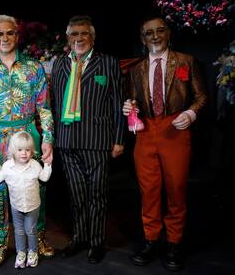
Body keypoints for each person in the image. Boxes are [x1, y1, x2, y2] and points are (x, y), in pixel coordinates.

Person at [122, 16, 207, 271]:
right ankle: (150, 241)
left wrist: (191, 114)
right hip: (146, 131)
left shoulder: (185, 61)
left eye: (160, 31)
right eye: (149, 33)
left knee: (176, 188)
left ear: (168, 34)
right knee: (148, 190)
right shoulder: (136, 69)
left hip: (175, 130)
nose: (155, 37)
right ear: (142, 38)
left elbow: (201, 96)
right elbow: (134, 100)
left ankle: (174, 243)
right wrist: (129, 106)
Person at [0, 14, 55, 267]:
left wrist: (48, 139)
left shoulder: (34, 67)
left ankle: (37, 238)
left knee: (35, 188)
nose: (5, 38)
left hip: (28, 135)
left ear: (17, 36)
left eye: (9, 33)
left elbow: (45, 109)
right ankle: (0, 244)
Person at [51, 15, 125, 264]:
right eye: (74, 34)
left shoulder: (108, 64)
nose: (79, 38)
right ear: (68, 38)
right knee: (76, 193)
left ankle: (96, 242)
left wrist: (118, 139)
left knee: (97, 194)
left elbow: (117, 104)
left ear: (93, 37)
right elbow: (52, 103)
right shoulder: (59, 64)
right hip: (67, 141)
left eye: (84, 34)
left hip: (98, 141)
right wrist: (52, 139)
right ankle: (79, 237)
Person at [0, 131, 52, 269]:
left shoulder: (35, 165)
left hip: (33, 205)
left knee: (30, 229)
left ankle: (33, 252)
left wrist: (48, 165)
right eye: (20, 150)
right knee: (18, 230)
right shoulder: (7, 166)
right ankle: (21, 252)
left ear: (32, 151)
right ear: (12, 151)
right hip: (16, 205)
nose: (24, 153)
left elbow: (44, 178)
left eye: (28, 150)